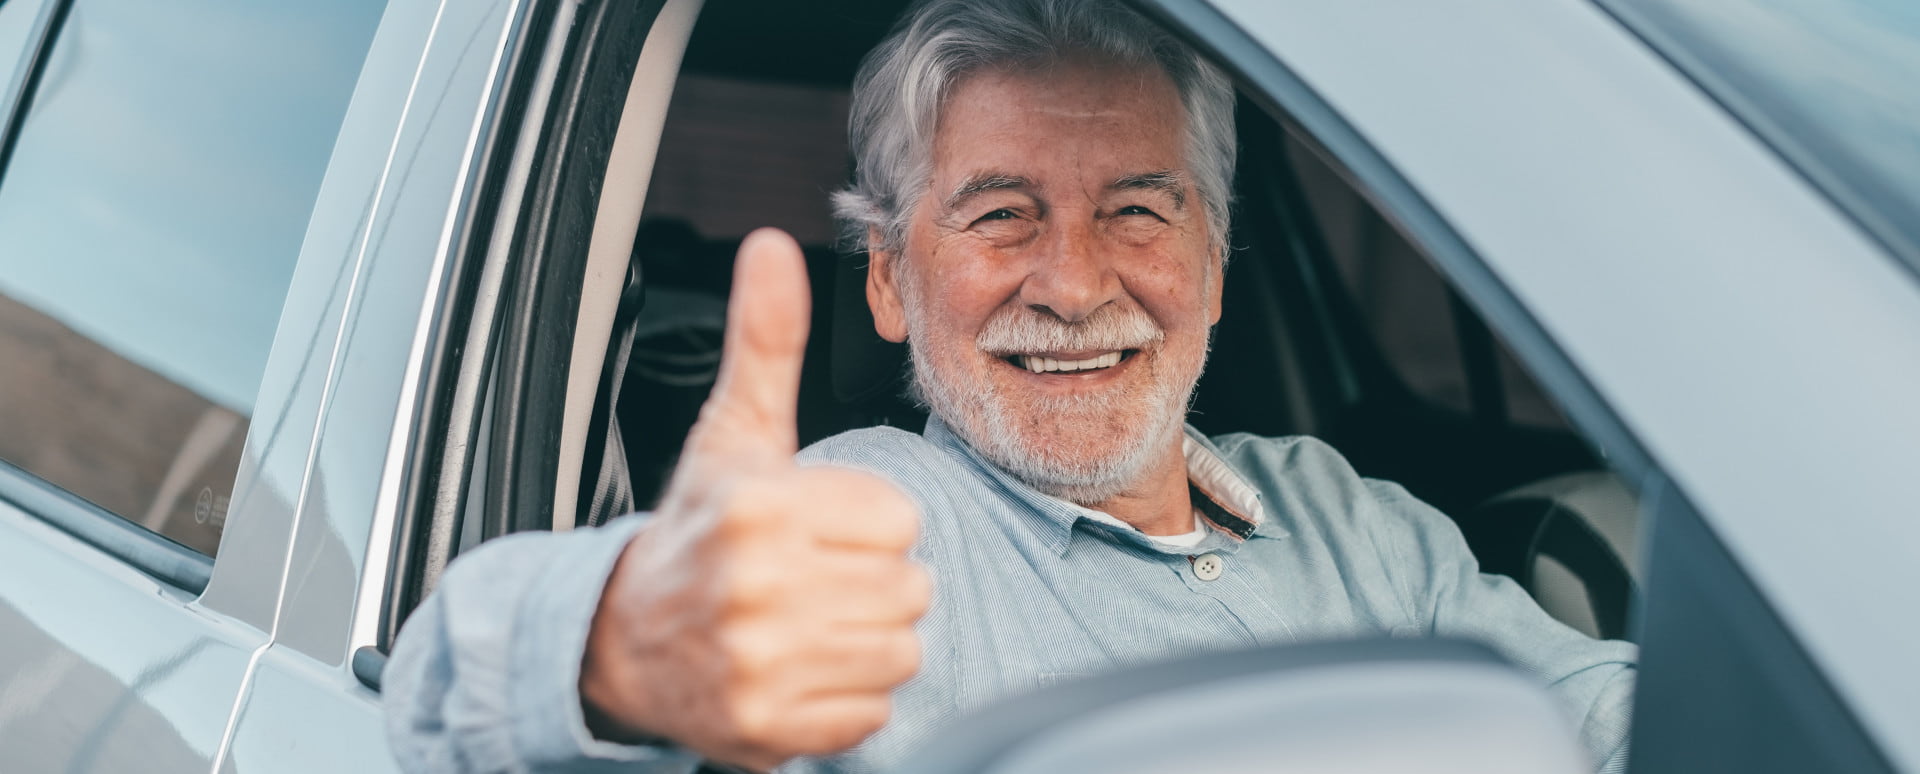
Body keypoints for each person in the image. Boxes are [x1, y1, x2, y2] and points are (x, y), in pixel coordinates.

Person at [384, 0, 1636, 771]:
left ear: (1211, 258)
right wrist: (612, 644)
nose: (1074, 283)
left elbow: (1616, 723)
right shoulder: (863, 526)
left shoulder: (1352, 519)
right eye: (1001, 216)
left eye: (1138, 210)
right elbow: (443, 696)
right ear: (887, 283)